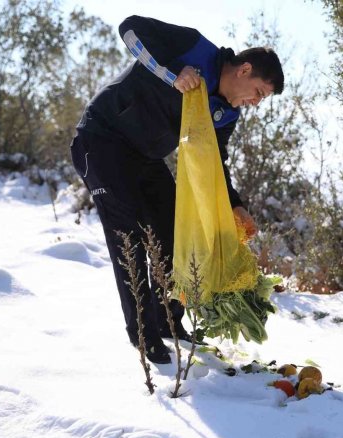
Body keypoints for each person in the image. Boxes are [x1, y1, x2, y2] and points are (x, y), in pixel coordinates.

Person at [69, 15, 285, 364]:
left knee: (176, 237)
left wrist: (236, 205)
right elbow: (129, 27)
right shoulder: (194, 47)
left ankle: (166, 320)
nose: (256, 102)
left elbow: (216, 162)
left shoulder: (226, 114)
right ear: (244, 70)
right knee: (130, 237)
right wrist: (173, 74)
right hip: (102, 140)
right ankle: (142, 332)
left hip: (146, 158)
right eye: (259, 93)